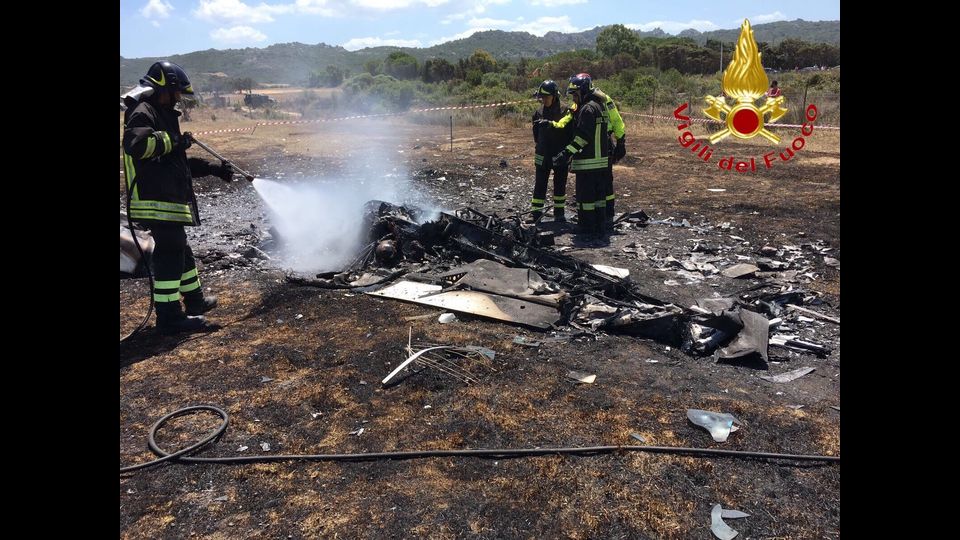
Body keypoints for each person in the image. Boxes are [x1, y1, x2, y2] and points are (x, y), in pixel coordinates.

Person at [122, 61, 235, 334]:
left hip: (168, 200)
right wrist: (174, 140)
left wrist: (213, 169)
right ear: (164, 88)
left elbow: (175, 163)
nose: (178, 99)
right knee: (170, 254)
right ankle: (169, 316)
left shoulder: (161, 114)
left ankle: (195, 301)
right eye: (176, 93)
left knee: (181, 250)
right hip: (155, 200)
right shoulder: (143, 112)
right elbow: (137, 146)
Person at [552, 73, 610, 237]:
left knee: (585, 200)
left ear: (583, 91)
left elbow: (583, 138)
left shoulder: (587, 109)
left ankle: (586, 228)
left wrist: (565, 153)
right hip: (601, 163)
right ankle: (600, 226)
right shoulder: (599, 106)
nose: (573, 98)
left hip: (588, 163)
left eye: (575, 94)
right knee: (599, 199)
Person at [529, 80, 573, 223]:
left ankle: (559, 214)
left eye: (546, 97)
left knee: (560, 185)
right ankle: (536, 214)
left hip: (559, 155)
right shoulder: (538, 113)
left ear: (554, 96)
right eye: (541, 97)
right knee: (540, 185)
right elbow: (536, 135)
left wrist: (565, 153)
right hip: (542, 154)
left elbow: (569, 133)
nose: (543, 100)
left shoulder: (565, 111)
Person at [589, 81, 626, 231]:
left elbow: (616, 119)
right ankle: (596, 214)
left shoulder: (604, 99)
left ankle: (608, 213)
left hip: (605, 141)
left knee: (606, 179)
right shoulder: (583, 101)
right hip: (590, 142)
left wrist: (621, 141)